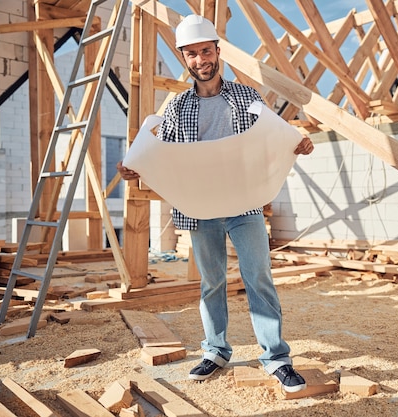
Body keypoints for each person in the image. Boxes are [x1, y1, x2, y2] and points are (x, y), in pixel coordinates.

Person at [117, 14, 314, 393]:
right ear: (184, 59)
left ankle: (276, 358)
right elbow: (164, 154)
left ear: (217, 51)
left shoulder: (245, 97)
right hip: (199, 208)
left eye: (205, 51)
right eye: (191, 54)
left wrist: (299, 141)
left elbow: (273, 133)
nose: (200, 60)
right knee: (211, 283)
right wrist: (134, 168)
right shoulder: (176, 108)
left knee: (259, 279)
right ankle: (216, 351)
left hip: (244, 205)